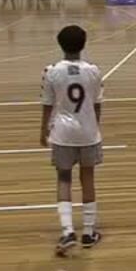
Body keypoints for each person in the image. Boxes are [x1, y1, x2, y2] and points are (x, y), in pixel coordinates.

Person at [40, 25, 104, 256]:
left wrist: (43, 131)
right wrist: (95, 127)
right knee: (88, 179)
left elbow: (47, 105)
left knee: (64, 179)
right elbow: (97, 104)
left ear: (60, 44)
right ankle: (88, 232)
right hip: (88, 132)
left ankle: (67, 231)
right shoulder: (94, 71)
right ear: (84, 44)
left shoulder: (52, 71)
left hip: (63, 133)